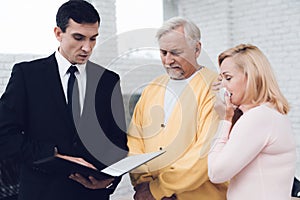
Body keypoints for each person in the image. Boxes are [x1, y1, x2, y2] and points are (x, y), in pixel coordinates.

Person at [0, 1, 128, 200]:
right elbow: (5, 135)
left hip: (92, 196)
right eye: (79, 38)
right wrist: (54, 155)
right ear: (58, 33)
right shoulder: (27, 75)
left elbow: (118, 141)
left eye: (93, 39)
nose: (87, 47)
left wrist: (110, 180)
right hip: (41, 193)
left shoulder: (108, 81)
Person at [127, 16, 227, 200]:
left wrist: (160, 189)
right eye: (163, 52)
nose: (168, 60)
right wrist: (143, 182)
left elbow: (206, 150)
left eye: (176, 52)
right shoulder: (153, 87)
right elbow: (135, 139)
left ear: (197, 49)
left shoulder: (216, 87)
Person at [208, 44, 296, 200]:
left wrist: (225, 120)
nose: (223, 85)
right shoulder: (270, 113)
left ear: (251, 77)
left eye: (228, 78)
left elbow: (216, 173)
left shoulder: (258, 118)